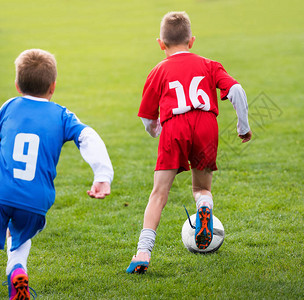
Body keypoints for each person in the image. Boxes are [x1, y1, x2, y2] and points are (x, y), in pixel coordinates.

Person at [126, 11, 251, 274]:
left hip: (175, 127)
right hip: (206, 125)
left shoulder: (158, 70)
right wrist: (243, 126)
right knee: (201, 189)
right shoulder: (209, 64)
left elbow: (147, 118)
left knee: (159, 194)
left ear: (160, 43)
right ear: (191, 41)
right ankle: (204, 206)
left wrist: (157, 132)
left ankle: (143, 252)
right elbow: (237, 90)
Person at [0, 49, 114, 299]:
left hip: (2, 190)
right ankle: (17, 269)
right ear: (53, 87)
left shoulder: (8, 107)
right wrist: (102, 175)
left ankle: (15, 269)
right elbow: (88, 137)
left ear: (17, 85)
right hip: (35, 200)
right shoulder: (62, 115)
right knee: (19, 235)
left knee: (10, 227)